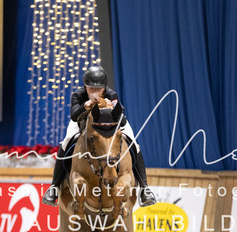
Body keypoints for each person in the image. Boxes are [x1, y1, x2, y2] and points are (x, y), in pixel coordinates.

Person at [42, 65, 157, 207]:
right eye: (91, 89)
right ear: (85, 86)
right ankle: (54, 187)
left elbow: (122, 120)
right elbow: (74, 116)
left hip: (111, 126)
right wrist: (85, 106)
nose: (95, 92)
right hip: (82, 124)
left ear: (104, 88)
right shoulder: (78, 95)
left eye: (98, 89)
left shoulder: (111, 95)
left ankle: (145, 189)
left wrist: (111, 108)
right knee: (66, 142)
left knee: (133, 142)